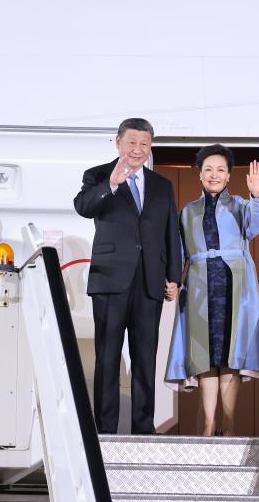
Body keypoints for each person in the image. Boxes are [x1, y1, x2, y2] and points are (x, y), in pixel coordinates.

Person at [73, 118, 180, 434]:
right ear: (118, 142)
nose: (138, 149)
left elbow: (170, 232)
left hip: (150, 282)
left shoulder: (162, 185)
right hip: (111, 280)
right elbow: (83, 206)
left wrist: (174, 276)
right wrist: (111, 184)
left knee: (145, 357)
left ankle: (144, 429)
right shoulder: (98, 175)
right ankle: (105, 431)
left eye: (144, 144)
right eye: (132, 142)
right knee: (107, 356)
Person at [165, 144, 259, 436]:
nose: (214, 175)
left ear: (228, 176)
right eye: (208, 169)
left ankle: (228, 420)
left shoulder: (240, 205)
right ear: (200, 175)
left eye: (221, 170)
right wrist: (174, 280)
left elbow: (258, 223)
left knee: (230, 355)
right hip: (199, 287)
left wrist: (256, 195)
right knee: (205, 356)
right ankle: (209, 422)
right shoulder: (187, 212)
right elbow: (178, 252)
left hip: (234, 285)